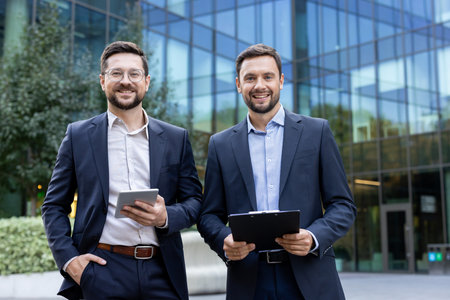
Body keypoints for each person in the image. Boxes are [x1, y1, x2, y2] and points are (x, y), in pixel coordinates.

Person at [42, 41, 202, 300]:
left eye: (134, 74)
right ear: (103, 81)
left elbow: (195, 202)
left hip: (163, 271)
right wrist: (69, 260)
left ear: (146, 82)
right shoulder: (78, 136)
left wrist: (165, 217)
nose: (125, 81)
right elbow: (53, 206)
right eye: (116, 73)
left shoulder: (175, 138)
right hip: (101, 271)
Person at [197, 44, 357, 300]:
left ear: (281, 81)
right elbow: (208, 215)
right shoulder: (221, 144)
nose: (259, 85)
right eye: (250, 78)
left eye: (267, 76)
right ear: (239, 84)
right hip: (249, 281)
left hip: (310, 277)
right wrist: (224, 239)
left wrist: (315, 236)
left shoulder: (317, 133)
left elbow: (343, 204)